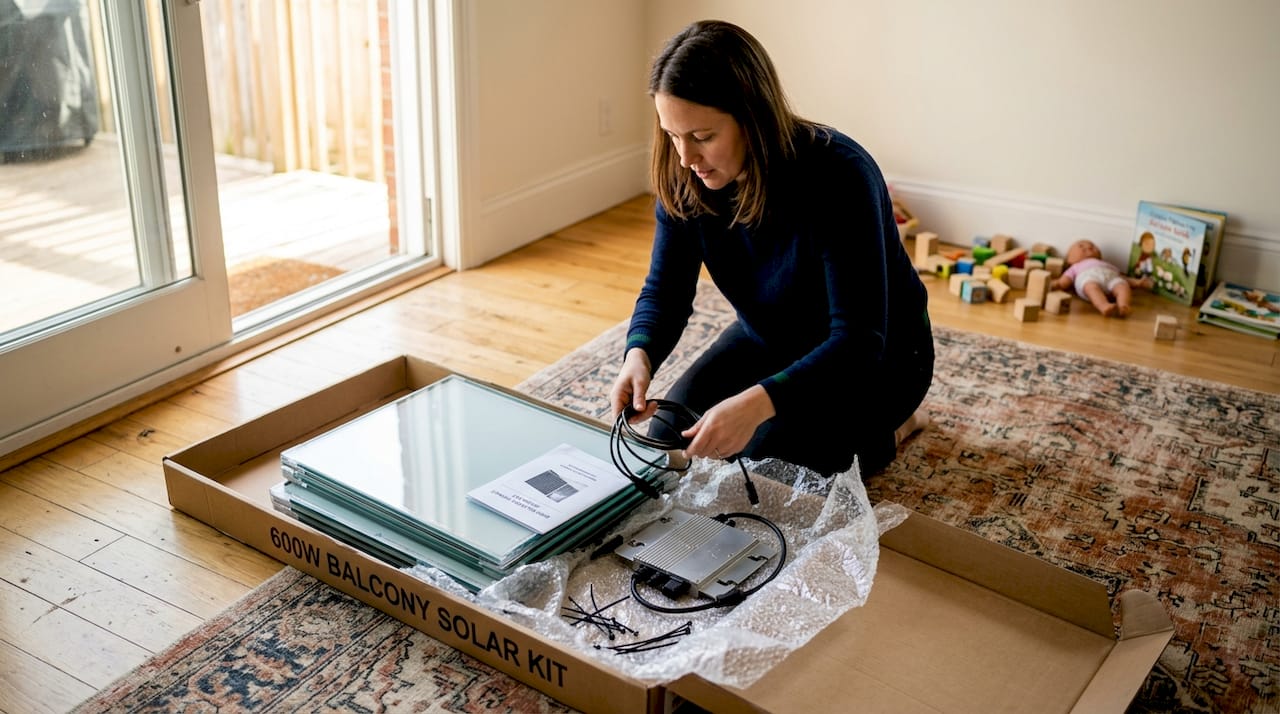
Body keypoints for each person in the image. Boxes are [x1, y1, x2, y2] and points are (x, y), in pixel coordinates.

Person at [608, 20, 934, 477]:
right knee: (666, 438)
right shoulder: (685, 175)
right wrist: (637, 355)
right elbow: (665, 292)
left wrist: (757, 404)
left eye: (702, 137)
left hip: (876, 361)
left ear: (751, 117)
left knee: (768, 465)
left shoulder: (841, 175)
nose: (685, 158)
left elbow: (858, 341)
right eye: (672, 134)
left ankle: (895, 427)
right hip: (771, 340)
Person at [1054, 239, 1153, 318]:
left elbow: (1123, 278)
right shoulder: (1075, 267)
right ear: (1070, 260)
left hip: (1110, 277)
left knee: (1122, 285)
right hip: (1088, 278)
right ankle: (1103, 306)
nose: (1088, 246)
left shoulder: (1106, 264)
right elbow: (1065, 281)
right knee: (1091, 287)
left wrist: (1137, 282)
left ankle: (1123, 305)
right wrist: (1056, 284)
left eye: (1092, 245)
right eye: (1081, 246)